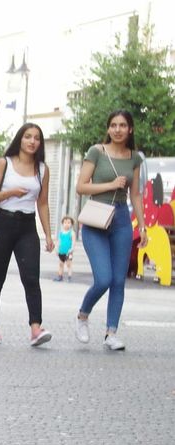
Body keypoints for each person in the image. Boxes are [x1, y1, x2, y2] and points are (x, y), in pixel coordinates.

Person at [73, 109, 145, 351]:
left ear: (130, 129)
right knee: (103, 279)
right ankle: (83, 315)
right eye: (113, 125)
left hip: (121, 220)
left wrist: (142, 225)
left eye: (122, 125)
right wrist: (111, 184)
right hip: (96, 218)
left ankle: (111, 332)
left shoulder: (135, 158)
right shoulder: (97, 151)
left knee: (118, 281)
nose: (117, 129)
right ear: (108, 129)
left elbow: (135, 195)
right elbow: (81, 187)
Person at [0, 123, 54, 347]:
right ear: (20, 139)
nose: (32, 141)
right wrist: (10, 193)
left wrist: (48, 235)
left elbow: (42, 203)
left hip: (27, 226)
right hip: (2, 223)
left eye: (37, 138)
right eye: (28, 137)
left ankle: (36, 328)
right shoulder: (4, 163)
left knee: (31, 278)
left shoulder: (42, 169)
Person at [54, 216, 74, 282]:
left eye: (68, 223)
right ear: (62, 224)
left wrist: (72, 249)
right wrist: (57, 249)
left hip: (68, 252)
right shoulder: (61, 233)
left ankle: (69, 277)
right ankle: (60, 276)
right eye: (65, 222)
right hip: (61, 251)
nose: (66, 224)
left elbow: (73, 242)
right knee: (61, 264)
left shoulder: (72, 233)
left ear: (71, 224)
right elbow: (59, 242)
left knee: (69, 264)